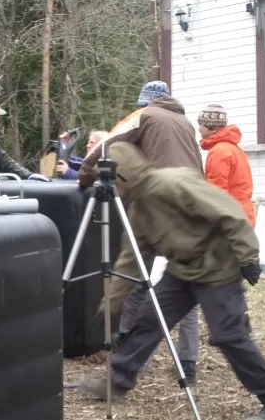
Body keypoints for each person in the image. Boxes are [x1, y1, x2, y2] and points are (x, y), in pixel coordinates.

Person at [79, 141, 265, 420]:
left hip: (217, 268)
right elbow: (130, 258)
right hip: (181, 272)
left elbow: (229, 211)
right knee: (149, 319)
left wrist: (248, 257)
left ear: (124, 176)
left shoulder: (174, 184)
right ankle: (116, 382)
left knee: (228, 335)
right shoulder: (139, 209)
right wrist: (110, 304)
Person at [78, 89, 204, 385]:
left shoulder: (145, 115)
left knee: (135, 275)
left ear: (145, 102)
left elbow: (108, 144)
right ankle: (187, 361)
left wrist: (84, 175)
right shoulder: (185, 125)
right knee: (186, 284)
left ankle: (126, 344)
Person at [197, 104, 256, 226]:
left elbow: (217, 192)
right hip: (243, 214)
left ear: (211, 126)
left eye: (201, 124)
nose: (199, 129)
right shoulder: (234, 149)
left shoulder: (219, 151)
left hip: (230, 218)